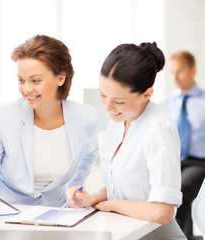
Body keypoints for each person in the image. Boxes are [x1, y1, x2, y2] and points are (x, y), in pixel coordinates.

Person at [0, 34, 98, 209]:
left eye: (36, 80)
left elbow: (87, 161)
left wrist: (75, 193)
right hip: (4, 210)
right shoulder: (3, 116)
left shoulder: (85, 117)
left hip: (54, 214)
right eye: (21, 80)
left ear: (61, 77)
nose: (26, 89)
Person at [66, 42, 186, 239]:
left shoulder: (158, 126)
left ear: (147, 94)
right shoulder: (119, 119)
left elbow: (162, 212)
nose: (108, 107)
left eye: (119, 101)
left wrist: (112, 205)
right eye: (103, 95)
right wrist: (91, 199)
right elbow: (126, 185)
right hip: (125, 231)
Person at [161, 51, 205, 239]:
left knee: (181, 189)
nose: (175, 77)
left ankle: (181, 237)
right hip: (173, 160)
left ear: (192, 70)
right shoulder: (166, 103)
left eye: (179, 71)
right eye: (171, 73)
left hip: (198, 162)